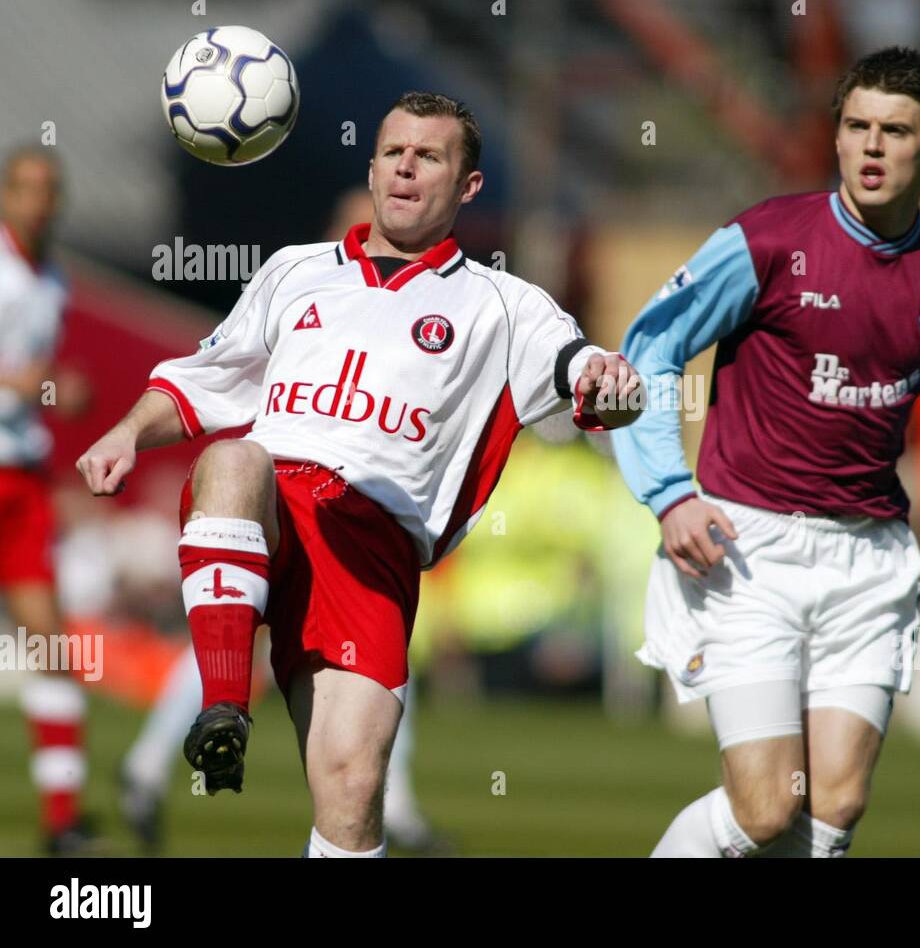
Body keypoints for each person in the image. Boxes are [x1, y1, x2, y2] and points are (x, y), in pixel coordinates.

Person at [77, 92, 642, 858]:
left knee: (352, 793)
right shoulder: (295, 271)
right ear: (372, 167)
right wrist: (125, 432)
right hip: (275, 498)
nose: (406, 166)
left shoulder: (505, 306)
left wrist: (611, 384)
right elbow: (202, 381)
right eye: (393, 151)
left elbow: (580, 372)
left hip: (372, 545)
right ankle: (223, 709)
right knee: (233, 458)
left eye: (430, 155)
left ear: (467, 186)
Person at [612, 47, 920, 857]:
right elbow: (647, 351)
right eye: (857, 125)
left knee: (836, 806)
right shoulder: (767, 240)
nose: (872, 146)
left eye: (896, 130)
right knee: (761, 809)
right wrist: (670, 493)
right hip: (747, 550)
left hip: (869, 560)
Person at [0, 146, 98, 855]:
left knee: (50, 644)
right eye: (25, 187)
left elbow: (33, 381)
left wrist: (58, 387)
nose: (38, 199)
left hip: (22, 477)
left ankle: (62, 820)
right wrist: (27, 381)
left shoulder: (53, 278)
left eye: (49, 188)